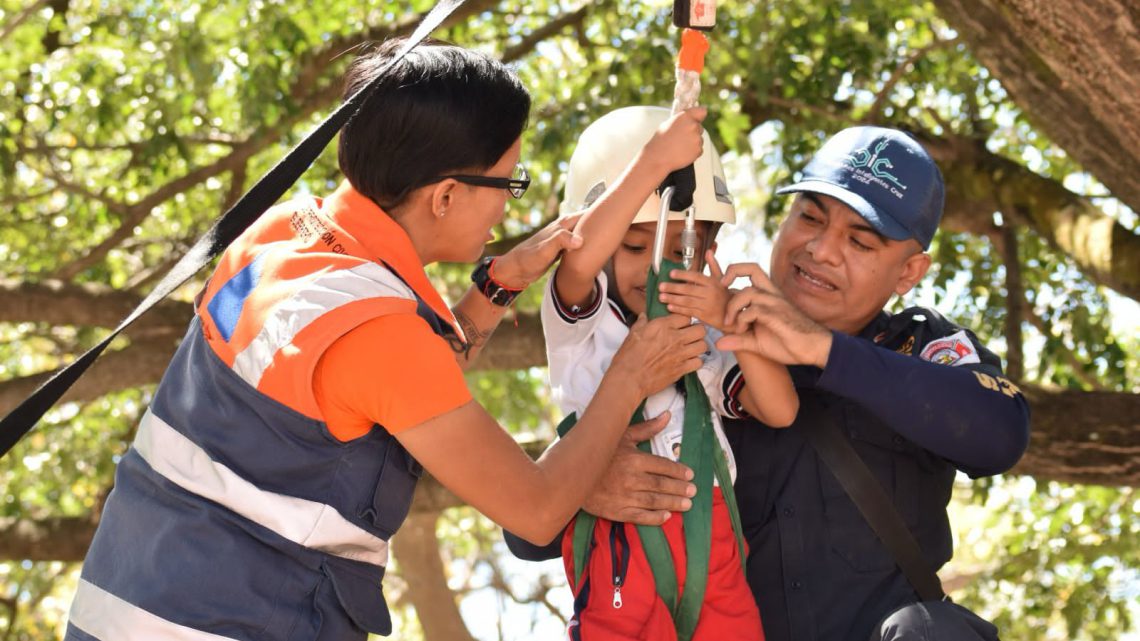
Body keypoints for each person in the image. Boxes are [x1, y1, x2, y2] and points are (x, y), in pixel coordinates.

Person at [64, 39, 710, 641]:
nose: (510, 209)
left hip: (122, 597)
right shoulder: (381, 332)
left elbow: (362, 388)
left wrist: (494, 290)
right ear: (447, 194)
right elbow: (536, 510)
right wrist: (628, 374)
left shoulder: (280, 235)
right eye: (508, 183)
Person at [509, 126, 1031, 641]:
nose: (821, 249)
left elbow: (1000, 433)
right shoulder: (694, 343)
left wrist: (821, 350)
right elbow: (526, 532)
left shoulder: (922, 347)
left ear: (908, 272)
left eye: (859, 241)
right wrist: (590, 484)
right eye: (809, 217)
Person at [539, 105, 798, 640]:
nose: (657, 267)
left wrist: (734, 324)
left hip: (711, 521)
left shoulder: (703, 334)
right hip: (621, 526)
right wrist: (654, 164)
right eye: (635, 247)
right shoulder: (583, 324)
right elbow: (580, 261)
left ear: (709, 252)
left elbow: (780, 409)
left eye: (683, 250)